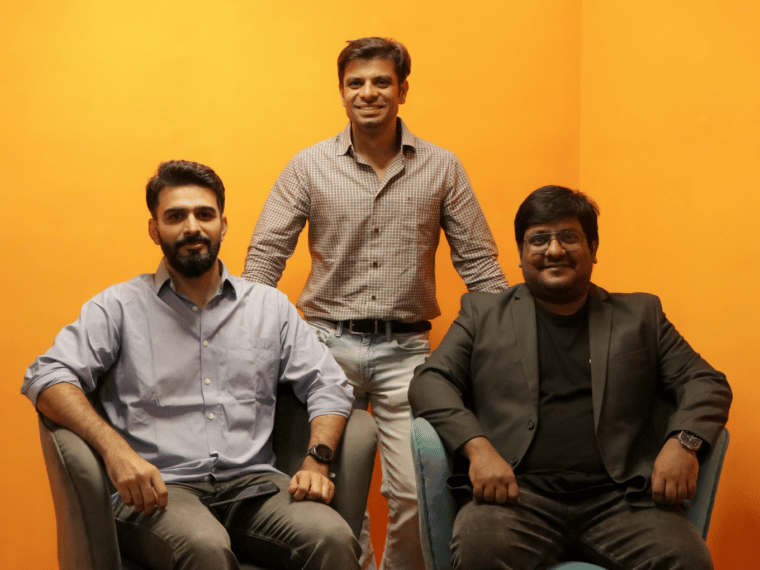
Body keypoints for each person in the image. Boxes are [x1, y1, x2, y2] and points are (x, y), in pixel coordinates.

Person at [241, 36, 509, 570]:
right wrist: (243, 333)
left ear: (402, 90)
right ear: (341, 92)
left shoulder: (442, 167)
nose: (368, 93)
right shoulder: (308, 165)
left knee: (416, 491)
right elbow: (266, 255)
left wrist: (515, 338)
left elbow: (479, 263)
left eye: (381, 81)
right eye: (356, 83)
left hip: (406, 352)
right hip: (322, 348)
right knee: (334, 491)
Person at [22, 160, 361, 570]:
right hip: (161, 490)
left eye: (204, 214)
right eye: (175, 216)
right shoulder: (118, 307)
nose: (192, 227)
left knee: (332, 537)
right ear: (154, 230)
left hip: (255, 488)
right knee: (204, 546)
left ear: (223, 225)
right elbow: (47, 376)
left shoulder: (269, 307)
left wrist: (316, 459)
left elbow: (329, 384)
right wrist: (116, 452)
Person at [408, 185, 732, 570]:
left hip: (621, 502)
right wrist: (479, 450)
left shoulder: (640, 315)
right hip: (514, 498)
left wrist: (684, 443)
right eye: (538, 239)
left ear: (593, 248)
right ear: (521, 253)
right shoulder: (483, 314)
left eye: (568, 237)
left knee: (687, 559)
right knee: (479, 549)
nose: (554, 250)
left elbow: (706, 382)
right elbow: (430, 381)